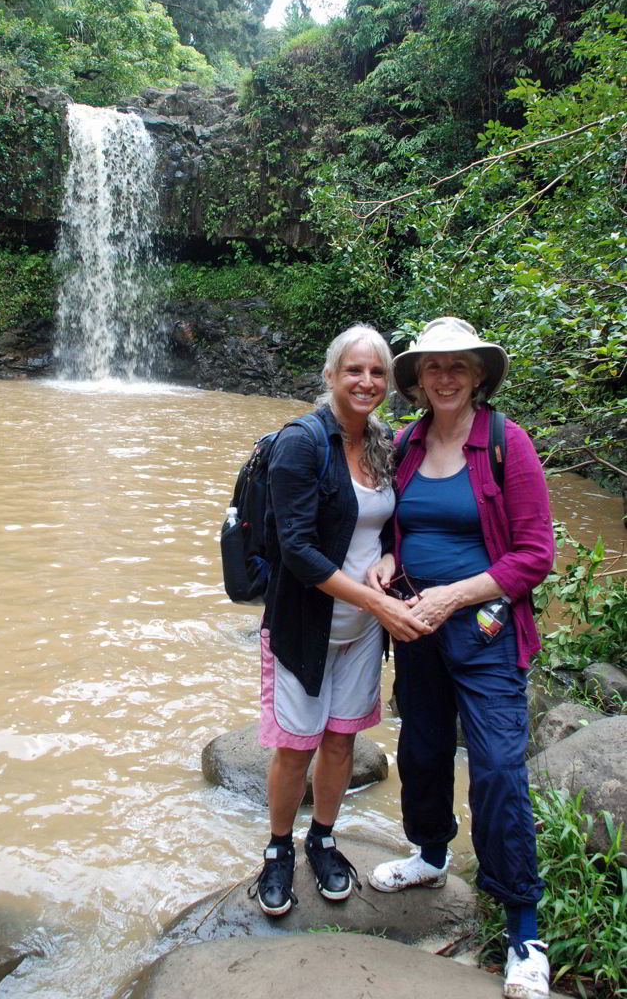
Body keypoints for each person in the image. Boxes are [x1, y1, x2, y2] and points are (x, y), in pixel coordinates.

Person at [365, 317, 554, 999]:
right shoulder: (407, 442)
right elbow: (392, 521)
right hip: (416, 624)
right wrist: (389, 560)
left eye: (458, 367)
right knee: (420, 749)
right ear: (416, 381)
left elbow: (535, 555)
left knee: (500, 769)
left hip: (484, 629)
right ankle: (432, 855)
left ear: (477, 376)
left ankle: (524, 928)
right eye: (431, 368)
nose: (444, 377)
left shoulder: (507, 444)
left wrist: (450, 598)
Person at [250, 324, 431, 917]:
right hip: (305, 624)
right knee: (295, 750)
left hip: (361, 631)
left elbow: (384, 527)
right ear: (330, 376)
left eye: (377, 372)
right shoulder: (301, 443)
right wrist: (379, 602)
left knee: (340, 742)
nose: (367, 381)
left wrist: (385, 563)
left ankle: (322, 838)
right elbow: (296, 548)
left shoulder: (382, 441)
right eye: (354, 370)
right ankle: (278, 852)